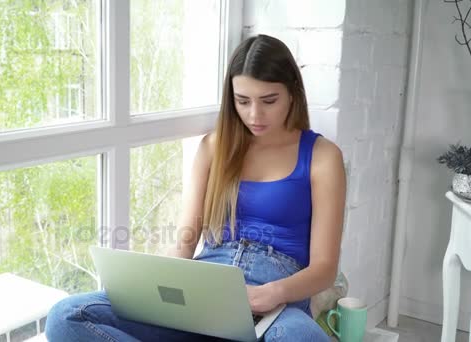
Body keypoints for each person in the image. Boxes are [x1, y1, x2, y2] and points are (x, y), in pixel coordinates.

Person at [45, 34, 346, 342]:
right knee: (66, 316)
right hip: (203, 297)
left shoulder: (322, 157)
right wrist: (150, 286)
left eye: (269, 101)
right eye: (243, 101)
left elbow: (325, 268)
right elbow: (185, 242)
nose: (254, 115)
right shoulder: (214, 148)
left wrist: (272, 293)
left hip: (277, 305)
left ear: (292, 94)